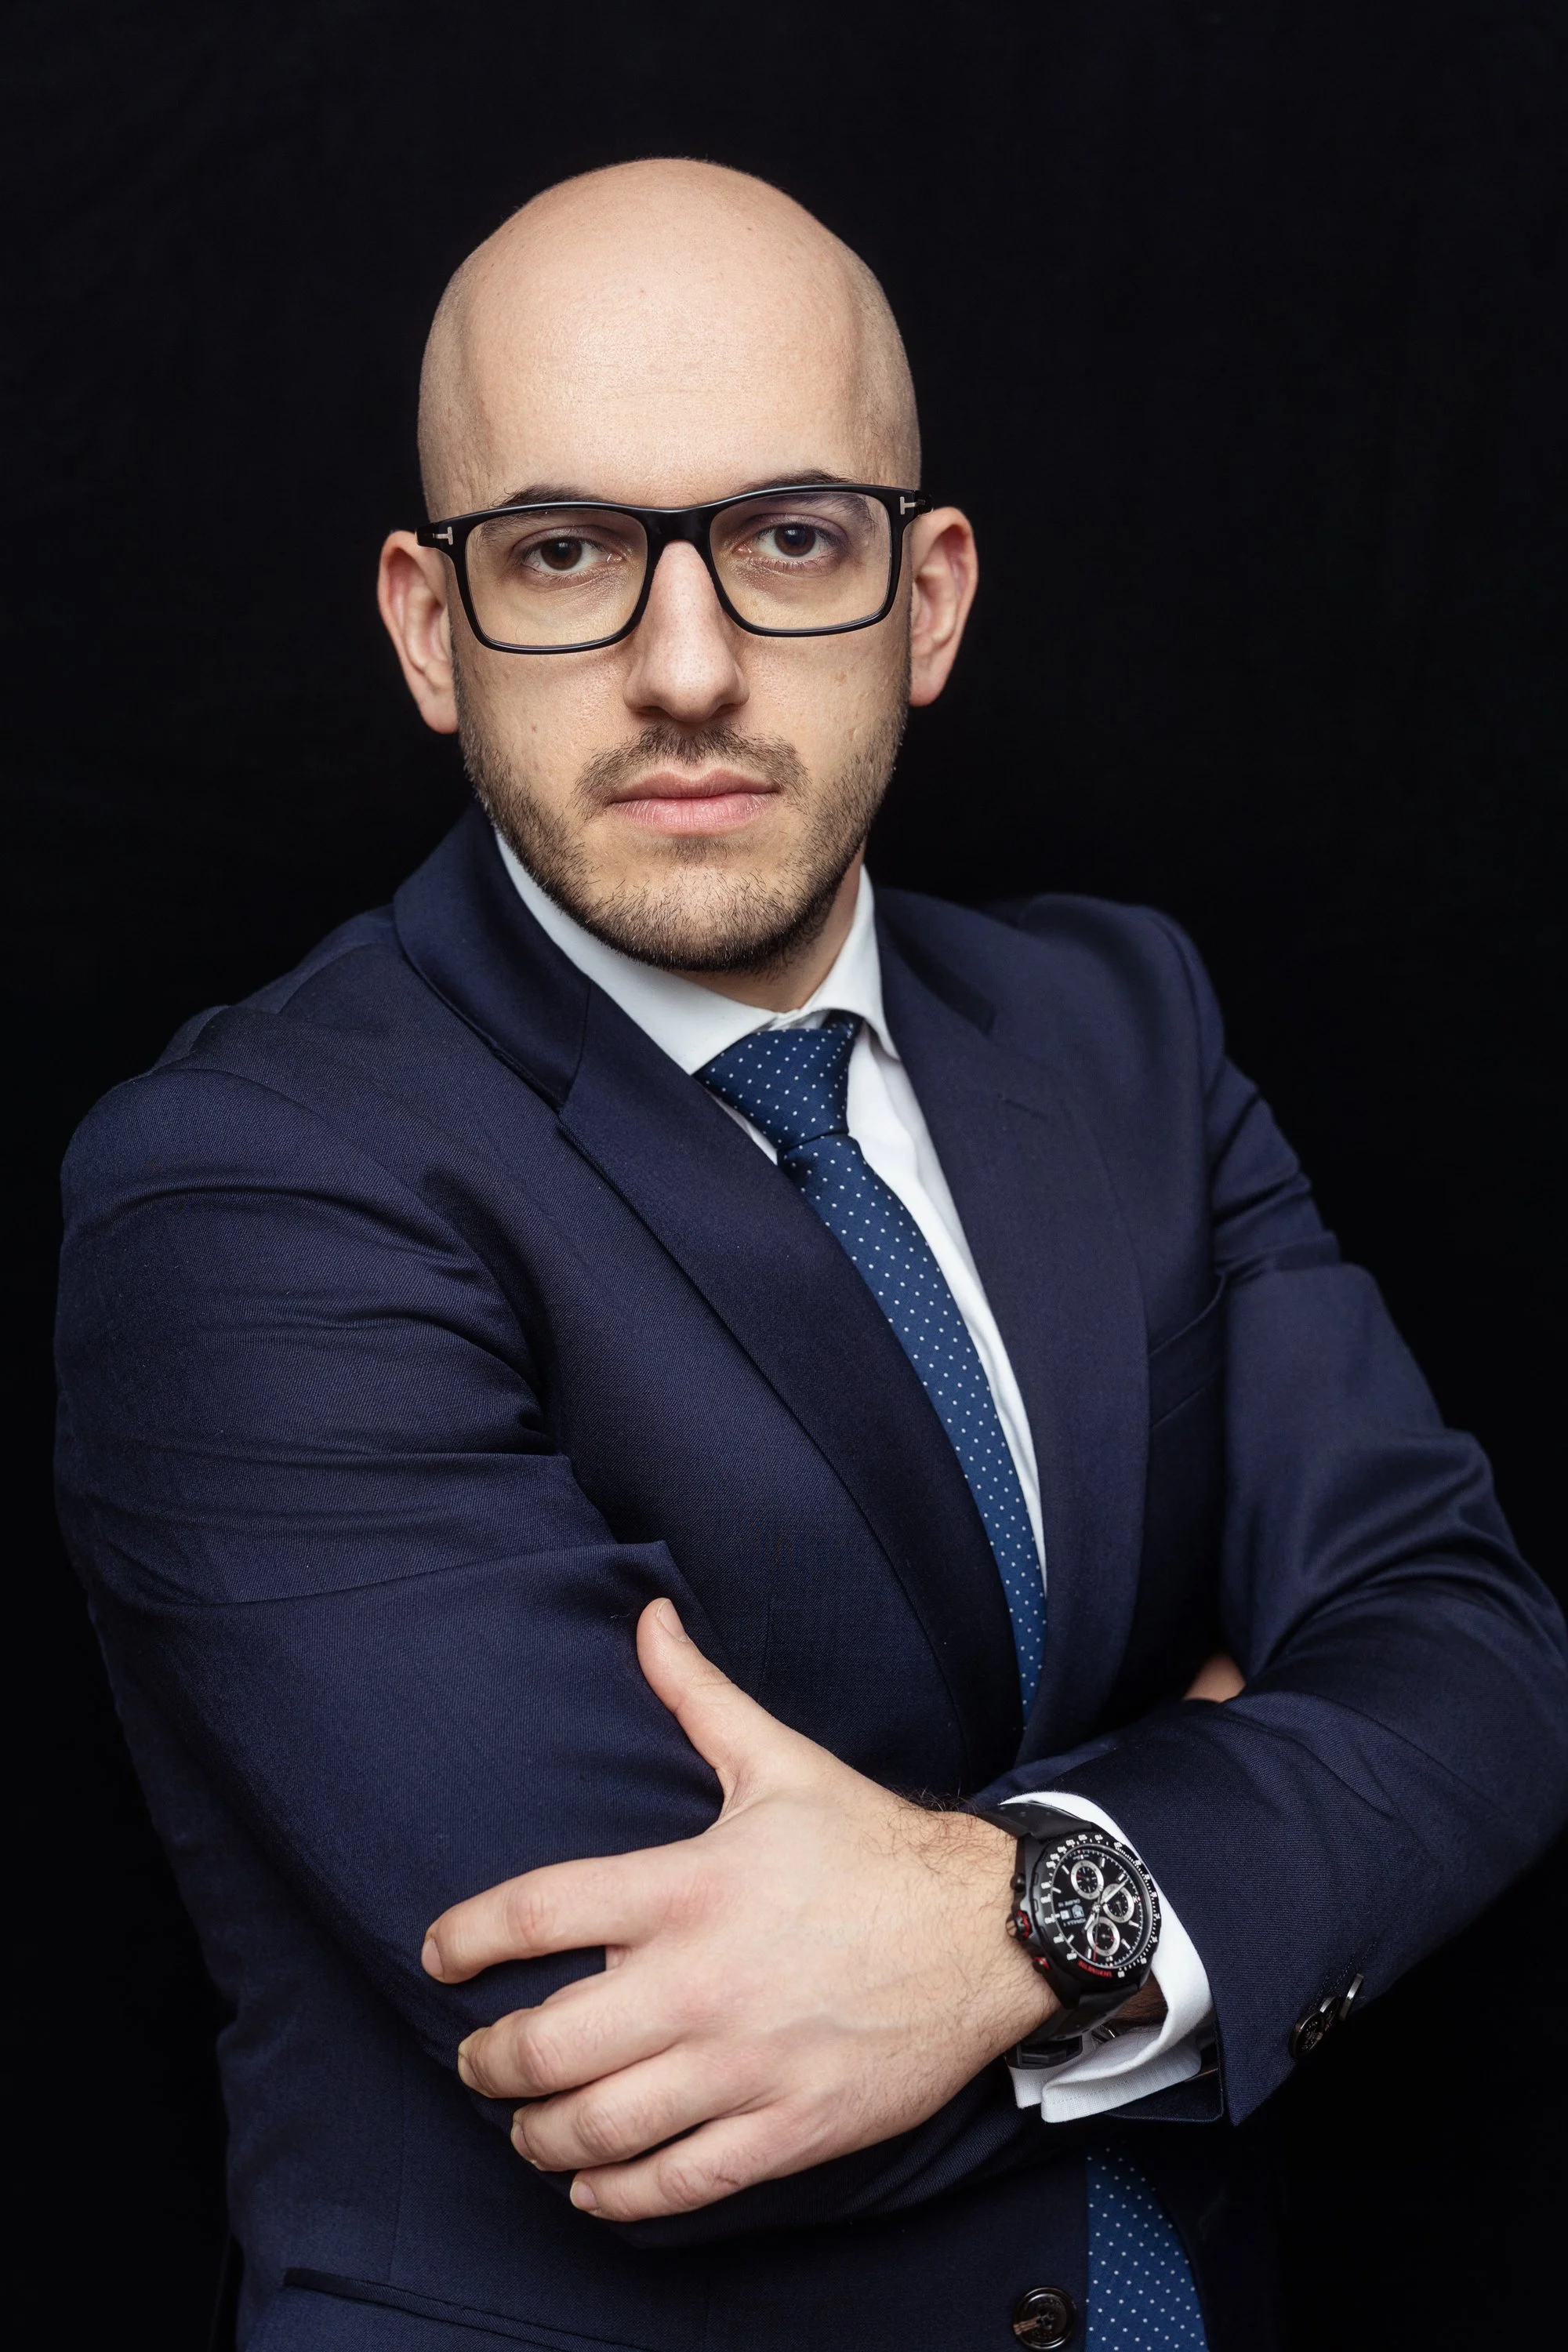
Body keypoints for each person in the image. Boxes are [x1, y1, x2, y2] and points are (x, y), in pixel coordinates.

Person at [55, 160, 1568, 2352]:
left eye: (788, 540)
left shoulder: (1120, 1025)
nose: (686, 668)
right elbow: (653, 2064)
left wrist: (998, 1913)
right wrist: (1229, 1834)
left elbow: (1480, 1659)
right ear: (426, 627)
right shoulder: (246, 1188)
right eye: (562, 552)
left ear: (928, 596)